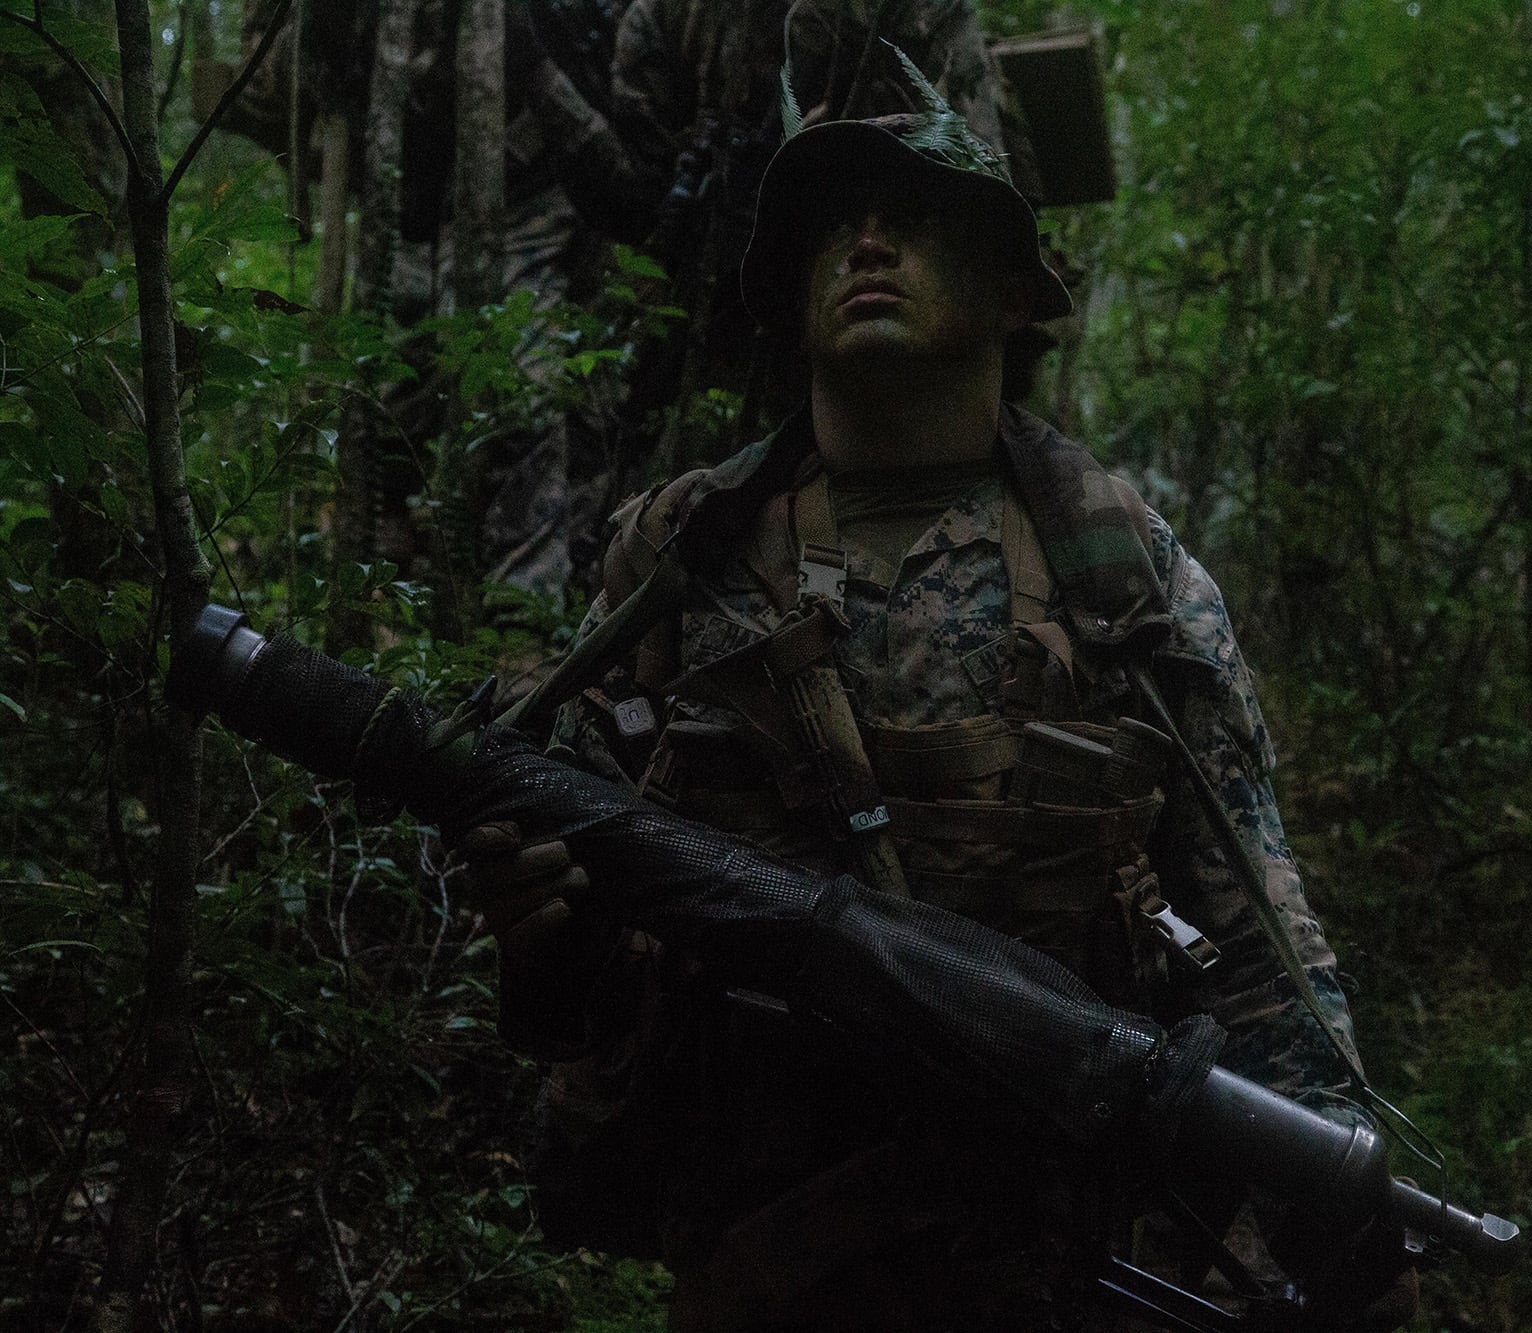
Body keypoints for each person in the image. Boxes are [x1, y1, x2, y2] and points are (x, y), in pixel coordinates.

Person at [457, 49, 1395, 1332]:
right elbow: (580, 944)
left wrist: (1338, 1191)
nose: (869, 240)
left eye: (917, 213)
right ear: (786, 301)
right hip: (754, 1252)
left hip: (1043, 1258)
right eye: (833, 222)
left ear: (1016, 290)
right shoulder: (678, 558)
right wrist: (536, 914)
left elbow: (1259, 941)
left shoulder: (1124, 574)